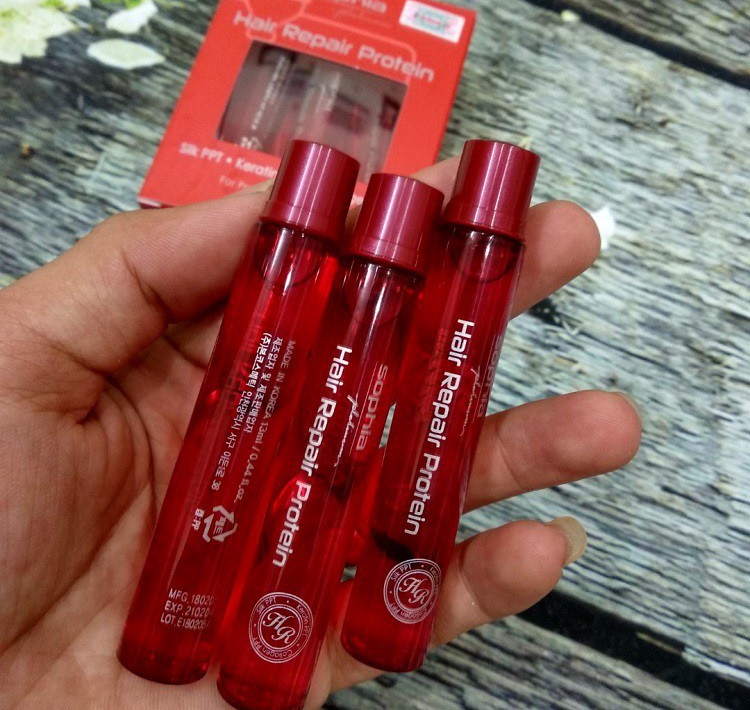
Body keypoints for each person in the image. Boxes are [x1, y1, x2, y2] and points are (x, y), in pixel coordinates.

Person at [0, 156, 641, 708]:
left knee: (388, 435)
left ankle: (280, 640)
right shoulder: (298, 254)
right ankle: (200, 634)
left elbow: (420, 399)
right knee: (284, 449)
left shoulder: (419, 275)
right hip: (137, 595)